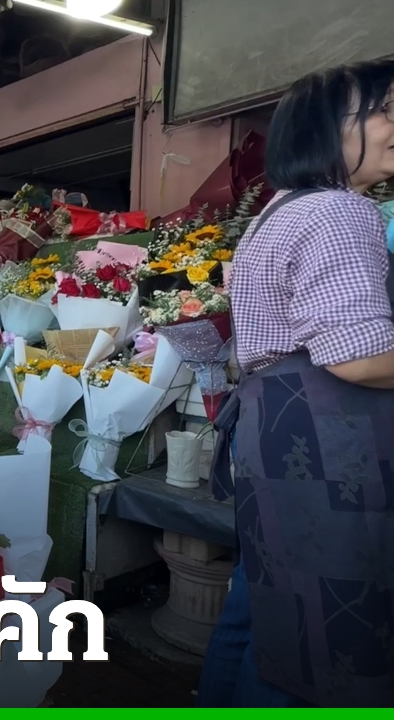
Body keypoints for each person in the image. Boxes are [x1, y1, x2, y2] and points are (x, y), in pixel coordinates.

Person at [200, 60, 394, 708]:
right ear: (324, 129)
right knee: (322, 635)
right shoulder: (339, 211)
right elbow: (359, 358)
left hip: (281, 435)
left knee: (265, 606)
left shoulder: (278, 211)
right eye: (385, 111)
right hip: (327, 447)